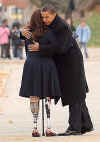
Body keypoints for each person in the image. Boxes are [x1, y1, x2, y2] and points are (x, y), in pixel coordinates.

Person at [21, 4, 93, 136]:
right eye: (42, 17)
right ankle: (86, 124)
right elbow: (35, 33)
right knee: (77, 93)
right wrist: (22, 33)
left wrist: (40, 48)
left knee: (74, 93)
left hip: (71, 62)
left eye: (47, 17)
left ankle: (75, 127)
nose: (44, 20)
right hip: (66, 62)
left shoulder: (61, 27)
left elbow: (61, 48)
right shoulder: (51, 24)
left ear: (54, 14)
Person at [19, 9, 61, 137]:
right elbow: (55, 48)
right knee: (47, 95)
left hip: (31, 64)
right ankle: (48, 127)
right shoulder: (49, 32)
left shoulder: (26, 32)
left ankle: (35, 127)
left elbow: (21, 36)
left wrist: (21, 33)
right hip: (46, 65)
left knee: (34, 95)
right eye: (42, 17)